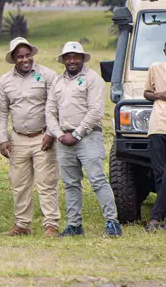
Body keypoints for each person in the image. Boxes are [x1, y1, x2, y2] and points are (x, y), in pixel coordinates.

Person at [46, 41, 122, 237]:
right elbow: (50, 111)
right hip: (63, 138)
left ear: (81, 58)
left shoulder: (92, 78)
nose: (72, 60)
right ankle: (74, 225)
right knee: (70, 183)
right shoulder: (57, 81)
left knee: (97, 180)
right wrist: (59, 134)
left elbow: (96, 111)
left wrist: (77, 134)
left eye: (75, 56)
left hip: (88, 136)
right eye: (68, 57)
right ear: (63, 60)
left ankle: (112, 222)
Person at [0, 37, 60, 237]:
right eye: (20, 56)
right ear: (14, 59)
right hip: (18, 138)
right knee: (19, 183)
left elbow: (56, 107)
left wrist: (51, 133)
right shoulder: (5, 81)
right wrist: (2, 139)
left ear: (32, 55)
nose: (25, 59)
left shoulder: (48, 75)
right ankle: (22, 224)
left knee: (46, 182)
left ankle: (51, 225)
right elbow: (1, 113)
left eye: (27, 55)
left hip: (43, 137)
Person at [143, 41, 166, 232]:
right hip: (158, 125)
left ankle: (155, 217)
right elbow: (146, 93)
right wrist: (160, 94)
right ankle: (161, 218)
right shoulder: (155, 68)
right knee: (159, 173)